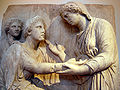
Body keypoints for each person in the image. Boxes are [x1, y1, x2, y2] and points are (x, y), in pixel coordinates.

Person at [52, 2, 119, 90]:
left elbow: (108, 56)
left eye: (67, 15)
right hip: (84, 82)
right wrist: (60, 54)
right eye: (64, 18)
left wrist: (81, 69)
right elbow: (78, 61)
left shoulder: (102, 25)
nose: (66, 20)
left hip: (101, 78)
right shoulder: (77, 37)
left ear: (77, 11)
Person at [0, 16, 64, 90]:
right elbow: (36, 67)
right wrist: (63, 66)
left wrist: (60, 54)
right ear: (29, 31)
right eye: (39, 27)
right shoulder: (17, 48)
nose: (43, 31)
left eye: (43, 28)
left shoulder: (38, 52)